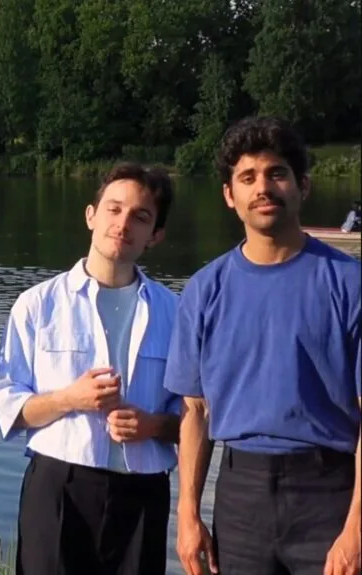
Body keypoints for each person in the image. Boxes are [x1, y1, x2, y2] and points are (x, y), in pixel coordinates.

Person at [166, 116, 361, 575]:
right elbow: (194, 410)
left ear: (303, 186)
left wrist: (356, 529)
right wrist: (188, 514)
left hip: (329, 493)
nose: (263, 188)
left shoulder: (349, 285)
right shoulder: (204, 290)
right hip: (240, 498)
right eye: (247, 177)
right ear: (230, 196)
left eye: (277, 173)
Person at [0, 162, 181, 574]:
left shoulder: (174, 312)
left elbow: (194, 416)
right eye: (113, 208)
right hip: (59, 485)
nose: (123, 223)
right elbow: (8, 406)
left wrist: (153, 426)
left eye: (140, 217)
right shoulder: (38, 304)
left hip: (142, 489)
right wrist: (69, 398)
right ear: (91, 215)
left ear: (155, 235)